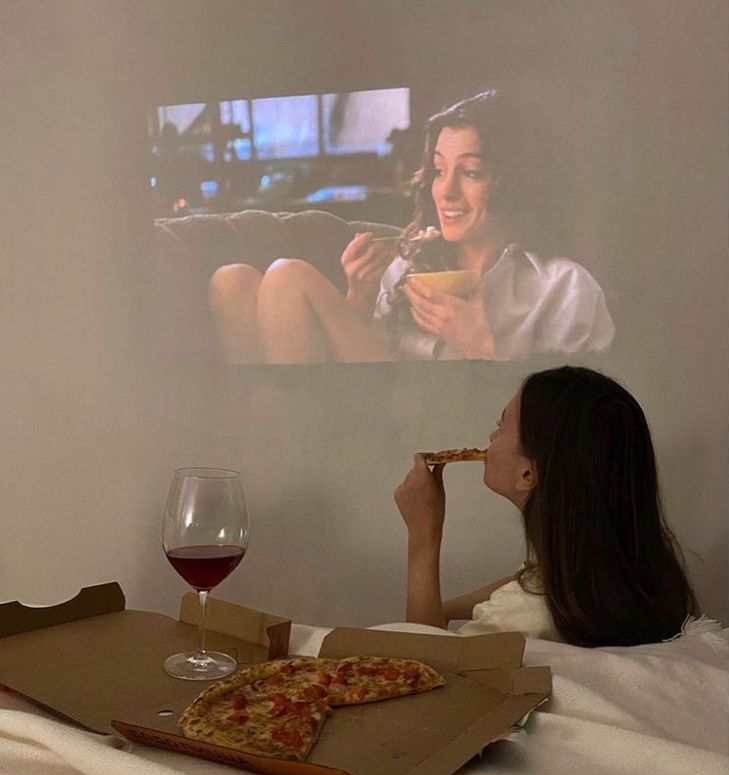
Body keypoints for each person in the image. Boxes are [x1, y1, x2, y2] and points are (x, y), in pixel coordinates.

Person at [208, 89, 614, 364]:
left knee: (288, 277)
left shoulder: (565, 287)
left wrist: (484, 348)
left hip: (441, 426)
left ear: (517, 180)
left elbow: (580, 418)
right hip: (379, 404)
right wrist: (362, 298)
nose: (446, 192)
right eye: (439, 171)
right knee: (232, 282)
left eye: (471, 172)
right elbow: (369, 358)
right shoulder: (410, 263)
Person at [393, 366, 699, 647]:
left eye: (501, 426)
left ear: (528, 474)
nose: (491, 436)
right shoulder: (630, 575)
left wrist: (423, 536)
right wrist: (444, 609)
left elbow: (429, 666)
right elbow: (535, 579)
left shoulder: (519, 619)